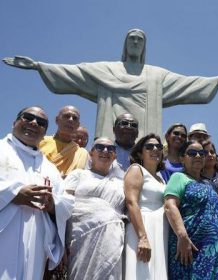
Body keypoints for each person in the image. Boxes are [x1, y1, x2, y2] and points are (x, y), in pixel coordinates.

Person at [3, 29, 218, 139]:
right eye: (131, 38)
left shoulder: (156, 75)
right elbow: (75, 72)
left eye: (140, 40)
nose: (135, 42)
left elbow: (186, 84)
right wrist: (38, 65)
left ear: (144, 47)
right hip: (109, 141)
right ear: (125, 44)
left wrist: (217, 81)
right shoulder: (107, 69)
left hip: (146, 138)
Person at [0, 106, 74, 279]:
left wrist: (52, 205)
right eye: (28, 117)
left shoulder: (49, 167)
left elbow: (67, 203)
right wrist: (13, 194)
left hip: (35, 243)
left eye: (41, 123)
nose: (34, 123)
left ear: (44, 133)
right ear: (14, 122)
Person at [164, 141, 218, 279]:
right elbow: (170, 205)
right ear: (182, 158)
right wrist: (182, 237)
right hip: (191, 251)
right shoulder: (179, 177)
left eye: (202, 153)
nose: (198, 156)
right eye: (192, 153)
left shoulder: (208, 183)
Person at [64, 137, 126, 279]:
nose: (105, 151)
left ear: (115, 156)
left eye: (110, 149)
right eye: (100, 147)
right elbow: (64, 208)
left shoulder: (120, 183)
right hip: (79, 241)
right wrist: (60, 242)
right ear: (91, 153)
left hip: (111, 242)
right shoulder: (78, 175)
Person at [124, 133, 168, 279]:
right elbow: (131, 202)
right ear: (140, 153)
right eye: (149, 146)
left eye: (159, 146)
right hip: (142, 227)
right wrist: (143, 237)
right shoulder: (136, 169)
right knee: (141, 271)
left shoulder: (161, 177)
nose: (155, 149)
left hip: (161, 229)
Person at [39, 105, 88, 177]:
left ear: (78, 125)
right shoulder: (40, 141)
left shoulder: (82, 153)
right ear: (57, 120)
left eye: (75, 118)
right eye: (66, 116)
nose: (71, 120)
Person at [112, 113, 139, 178]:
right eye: (124, 123)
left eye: (134, 125)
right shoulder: (103, 151)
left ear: (137, 133)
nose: (129, 127)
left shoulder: (143, 155)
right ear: (114, 129)